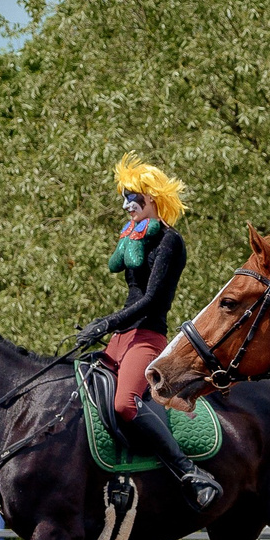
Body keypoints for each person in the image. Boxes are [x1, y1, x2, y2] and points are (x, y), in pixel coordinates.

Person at [75, 157, 222, 511]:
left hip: (147, 336)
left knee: (124, 404)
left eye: (133, 198)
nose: (127, 206)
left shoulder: (170, 241)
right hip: (122, 337)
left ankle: (190, 473)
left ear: (153, 199)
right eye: (125, 198)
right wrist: (108, 329)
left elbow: (152, 300)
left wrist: (106, 322)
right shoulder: (136, 237)